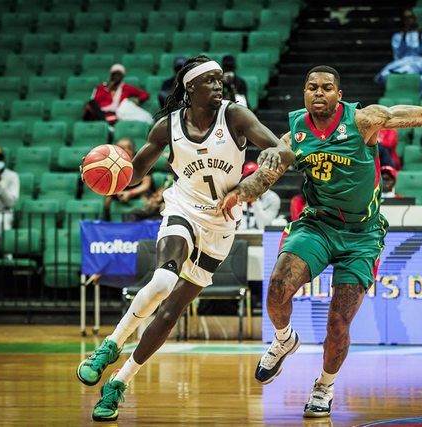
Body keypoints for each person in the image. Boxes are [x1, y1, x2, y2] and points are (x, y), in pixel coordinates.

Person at [219, 65, 422, 418]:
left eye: (326, 87)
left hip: (362, 234)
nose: (319, 92)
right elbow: (263, 179)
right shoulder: (294, 137)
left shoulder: (364, 121)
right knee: (277, 286)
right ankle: (283, 340)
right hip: (317, 225)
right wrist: (236, 194)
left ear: (339, 94)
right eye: (312, 87)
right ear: (304, 93)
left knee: (338, 323)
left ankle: (324, 386)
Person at [76, 55, 294, 422]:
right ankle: (110, 345)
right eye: (210, 80)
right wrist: (107, 173)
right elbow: (135, 171)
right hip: (183, 208)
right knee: (163, 279)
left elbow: (283, 150)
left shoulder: (235, 116)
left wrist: (272, 153)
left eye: (220, 79)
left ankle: (119, 382)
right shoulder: (167, 127)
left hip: (221, 224)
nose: (218, 84)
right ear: (190, 86)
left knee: (169, 312)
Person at [374, 9, 422, 96]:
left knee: (411, 69)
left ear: (415, 18)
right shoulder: (397, 36)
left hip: (420, 61)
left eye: (410, 17)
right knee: (384, 73)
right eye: (406, 18)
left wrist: (420, 38)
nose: (409, 20)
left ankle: (402, 74)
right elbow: (398, 56)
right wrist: (403, 38)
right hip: (403, 61)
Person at [103, 137, 153, 220]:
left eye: (121, 148)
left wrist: (130, 193)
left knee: (145, 198)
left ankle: (142, 222)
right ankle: (108, 222)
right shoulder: (113, 162)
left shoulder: (142, 161)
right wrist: (117, 192)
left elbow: (146, 185)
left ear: (131, 150)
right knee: (108, 199)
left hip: (138, 191)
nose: (118, 151)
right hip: (120, 191)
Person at [238, 162, 283, 230]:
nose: (253, 181)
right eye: (249, 177)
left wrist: (255, 199)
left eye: (256, 177)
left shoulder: (273, 198)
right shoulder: (236, 196)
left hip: (261, 235)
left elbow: (263, 226)